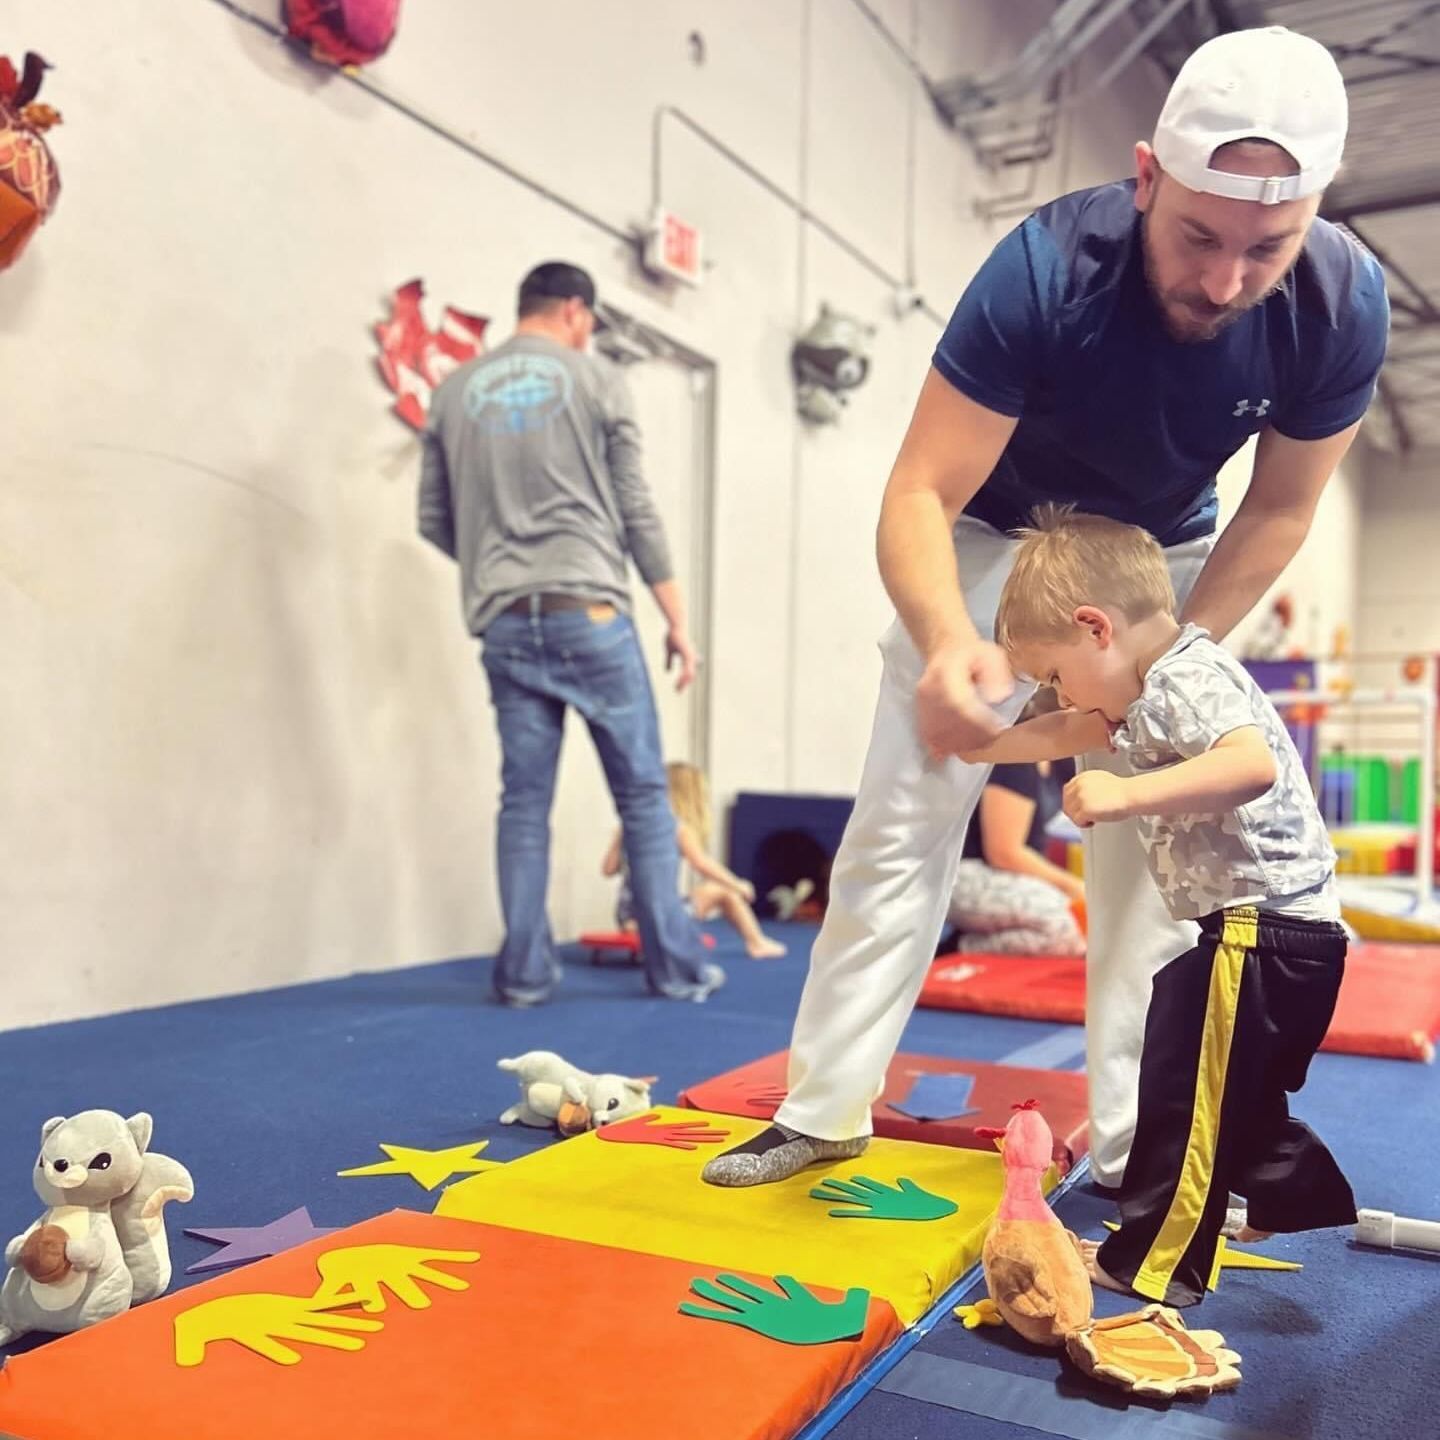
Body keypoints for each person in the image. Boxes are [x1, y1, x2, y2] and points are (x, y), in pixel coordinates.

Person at [702, 27, 1387, 1189]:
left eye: (1264, 247)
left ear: (1315, 212)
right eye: (1198, 238)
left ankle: (1135, 1147)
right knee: (909, 809)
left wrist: (1183, 662)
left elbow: (1276, 511)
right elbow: (921, 487)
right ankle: (822, 1107)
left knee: (1160, 859)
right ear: (1146, 177)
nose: (1225, 280)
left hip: (1164, 552)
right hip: (1000, 529)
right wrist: (945, 643)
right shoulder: (1045, 270)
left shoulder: (1338, 304)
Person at [960, 506, 1356, 1306]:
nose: (1059, 697)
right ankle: (1291, 1190)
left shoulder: (1188, 677)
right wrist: (977, 743)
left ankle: (1156, 1262)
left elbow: (1249, 767)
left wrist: (1126, 793)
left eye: (1056, 672)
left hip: (1264, 931)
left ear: (1095, 627)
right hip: (1264, 933)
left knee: (1181, 1094)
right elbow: (1072, 724)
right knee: (1219, 1084)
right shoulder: (1147, 688)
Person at [419, 261, 724, 1007]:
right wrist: (677, 619)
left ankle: (522, 977)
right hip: (587, 610)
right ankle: (676, 971)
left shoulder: (453, 391)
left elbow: (433, 519)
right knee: (645, 797)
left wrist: (499, 571)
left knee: (523, 801)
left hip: (503, 623)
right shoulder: (596, 380)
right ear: (577, 314)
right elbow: (635, 509)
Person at [947, 692, 1084, 956]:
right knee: (1069, 927)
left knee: (1085, 922)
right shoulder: (1015, 763)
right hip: (969, 874)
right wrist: (1070, 884)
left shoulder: (1060, 763)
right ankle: (958, 948)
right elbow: (1004, 853)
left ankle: (977, 937)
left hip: (1012, 877)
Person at [603, 763, 787, 960]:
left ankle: (757, 941)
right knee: (723, 892)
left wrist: (619, 836)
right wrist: (737, 884)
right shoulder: (677, 828)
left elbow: (608, 869)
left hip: (626, 918)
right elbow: (701, 863)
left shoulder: (631, 827)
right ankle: (757, 942)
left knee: (694, 893)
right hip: (659, 917)